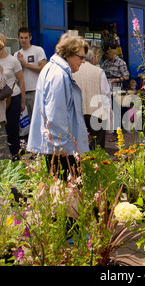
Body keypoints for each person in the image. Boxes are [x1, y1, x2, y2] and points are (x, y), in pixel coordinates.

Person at [27, 33, 89, 181]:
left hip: (59, 145)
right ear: (68, 54)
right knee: (68, 190)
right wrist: (60, 144)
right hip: (61, 148)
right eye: (80, 57)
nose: (83, 61)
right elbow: (55, 112)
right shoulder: (58, 75)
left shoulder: (57, 70)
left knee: (63, 190)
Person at [0, 32, 26, 159]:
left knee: (12, 130)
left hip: (13, 98)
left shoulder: (12, 60)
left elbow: (21, 80)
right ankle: (1, 158)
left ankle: (15, 157)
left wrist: (22, 100)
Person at [72, 44, 111, 150]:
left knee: (78, 144)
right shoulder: (99, 71)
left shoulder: (72, 71)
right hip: (96, 113)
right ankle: (97, 164)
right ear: (93, 58)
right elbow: (105, 93)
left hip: (78, 112)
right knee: (97, 145)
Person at [13, 27, 47, 123]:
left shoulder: (38, 50)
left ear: (30, 38)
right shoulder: (16, 54)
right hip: (21, 92)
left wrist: (25, 65)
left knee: (38, 120)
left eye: (26, 38)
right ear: (18, 38)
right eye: (21, 38)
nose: (23, 40)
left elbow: (43, 68)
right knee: (25, 123)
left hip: (36, 90)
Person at [102, 46, 130, 142]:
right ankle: (107, 131)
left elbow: (126, 76)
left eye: (108, 53)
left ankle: (116, 134)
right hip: (106, 88)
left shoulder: (121, 63)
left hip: (117, 88)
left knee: (116, 112)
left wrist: (116, 80)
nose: (106, 55)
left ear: (113, 53)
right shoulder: (106, 62)